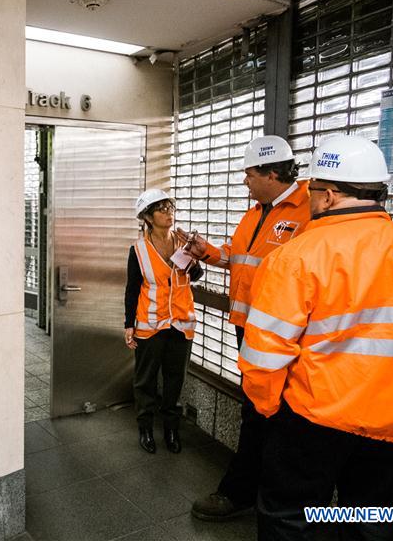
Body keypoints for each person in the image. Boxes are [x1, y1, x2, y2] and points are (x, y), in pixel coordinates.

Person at [240, 135, 393, 541]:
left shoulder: (296, 256)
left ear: (326, 196)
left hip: (316, 418)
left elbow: (264, 354)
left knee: (292, 517)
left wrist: (269, 411)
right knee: (370, 523)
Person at [177, 135, 311, 520]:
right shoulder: (256, 211)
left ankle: (247, 493)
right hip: (249, 327)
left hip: (283, 334)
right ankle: (257, 492)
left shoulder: (307, 213)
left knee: (267, 413)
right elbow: (242, 258)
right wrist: (209, 252)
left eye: (249, 173)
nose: (244, 181)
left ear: (272, 173)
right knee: (256, 408)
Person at [125, 189, 202, 454]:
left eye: (170, 208)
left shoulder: (183, 242)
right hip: (151, 322)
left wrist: (191, 254)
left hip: (181, 321)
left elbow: (196, 276)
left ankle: (171, 429)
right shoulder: (138, 249)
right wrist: (128, 325)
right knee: (145, 379)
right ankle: (145, 428)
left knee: (174, 379)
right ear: (147, 216)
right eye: (161, 209)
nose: (168, 213)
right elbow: (132, 289)